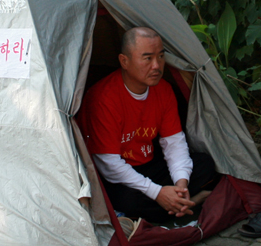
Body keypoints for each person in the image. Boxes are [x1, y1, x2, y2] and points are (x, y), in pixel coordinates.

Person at [79, 27, 219, 224]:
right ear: (124, 61)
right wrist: (158, 193)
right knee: (126, 200)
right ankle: (189, 204)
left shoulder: (163, 90)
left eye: (160, 56)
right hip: (118, 174)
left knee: (204, 164)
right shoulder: (104, 98)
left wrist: (181, 185)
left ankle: (176, 204)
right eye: (147, 58)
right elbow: (108, 164)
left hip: (149, 165)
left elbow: (174, 143)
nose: (156, 66)